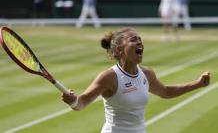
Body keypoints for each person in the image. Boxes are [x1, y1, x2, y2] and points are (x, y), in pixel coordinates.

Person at [62, 28, 210, 133]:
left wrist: (197, 83)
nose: (140, 42)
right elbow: (82, 103)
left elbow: (166, 92)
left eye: (140, 39)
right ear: (120, 50)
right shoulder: (109, 77)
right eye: (134, 40)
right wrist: (73, 100)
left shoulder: (146, 74)